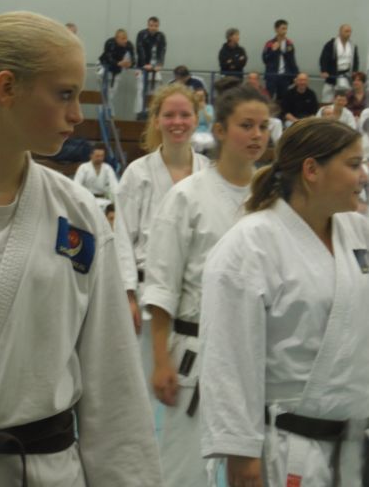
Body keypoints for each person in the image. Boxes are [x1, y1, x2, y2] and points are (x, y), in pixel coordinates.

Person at [0, 11, 162, 487]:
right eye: (65, 94)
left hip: (46, 472)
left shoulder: (79, 213)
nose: (77, 115)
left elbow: (113, 381)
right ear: (7, 88)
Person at [200, 117, 369, 487]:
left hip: (354, 447)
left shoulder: (359, 232)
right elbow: (228, 357)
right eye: (354, 164)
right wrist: (240, 453)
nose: (364, 175)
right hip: (284, 449)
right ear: (312, 170)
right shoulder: (250, 245)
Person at [142, 86, 271, 487]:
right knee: (182, 472)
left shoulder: (272, 199)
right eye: (246, 125)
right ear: (219, 130)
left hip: (254, 354)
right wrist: (160, 359)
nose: (257, 135)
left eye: (264, 126)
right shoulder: (187, 196)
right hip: (193, 351)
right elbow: (162, 285)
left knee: (251, 472)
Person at [115, 83, 208, 337]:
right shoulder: (137, 173)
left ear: (196, 120)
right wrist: (127, 295)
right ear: (156, 121)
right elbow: (122, 238)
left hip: (196, 298)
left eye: (185, 114)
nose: (177, 122)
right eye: (169, 115)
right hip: (145, 294)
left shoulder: (209, 173)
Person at [135, 16, 167, 117]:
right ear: (148, 25)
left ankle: (152, 112)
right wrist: (144, 64)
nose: (153, 28)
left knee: (154, 91)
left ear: (158, 26)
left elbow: (162, 50)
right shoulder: (142, 34)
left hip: (155, 67)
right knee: (141, 90)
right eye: (151, 25)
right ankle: (140, 112)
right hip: (142, 67)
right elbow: (140, 49)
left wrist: (160, 63)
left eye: (156, 26)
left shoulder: (161, 36)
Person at [98, 29, 135, 114]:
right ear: (117, 38)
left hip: (117, 70)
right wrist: (118, 63)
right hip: (104, 66)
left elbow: (133, 59)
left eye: (126, 38)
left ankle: (108, 111)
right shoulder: (110, 43)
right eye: (123, 38)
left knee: (112, 93)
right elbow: (108, 57)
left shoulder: (129, 45)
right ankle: (104, 111)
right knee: (104, 92)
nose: (125, 41)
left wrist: (130, 64)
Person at [320, 24, 359, 103]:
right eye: (346, 31)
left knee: (346, 97)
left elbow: (355, 59)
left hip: (346, 75)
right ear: (340, 32)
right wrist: (324, 70)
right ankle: (326, 107)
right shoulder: (331, 44)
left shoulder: (352, 45)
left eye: (350, 32)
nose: (349, 34)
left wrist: (355, 70)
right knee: (327, 96)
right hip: (332, 74)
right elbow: (324, 58)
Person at [262, 19, 299, 101]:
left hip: (285, 77)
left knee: (283, 99)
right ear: (276, 29)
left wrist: (296, 75)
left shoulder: (289, 44)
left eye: (286, 28)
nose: (285, 31)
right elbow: (265, 59)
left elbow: (292, 61)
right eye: (283, 28)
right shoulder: (270, 43)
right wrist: (273, 51)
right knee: (268, 98)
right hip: (272, 76)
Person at [190, 87, 215, 154]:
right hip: (194, 131)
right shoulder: (192, 108)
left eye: (202, 96)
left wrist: (203, 109)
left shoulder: (209, 108)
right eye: (198, 96)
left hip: (205, 132)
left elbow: (210, 120)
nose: (200, 98)